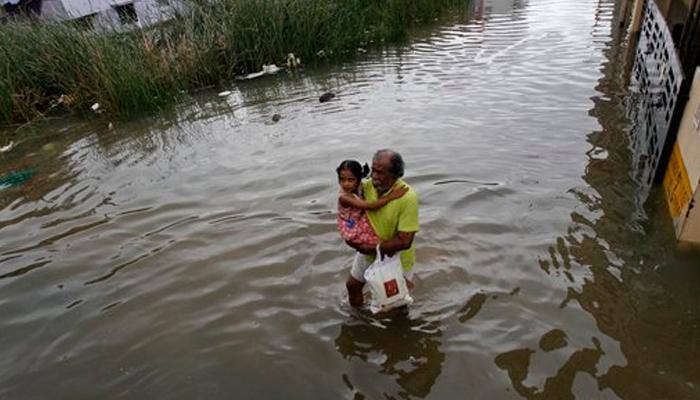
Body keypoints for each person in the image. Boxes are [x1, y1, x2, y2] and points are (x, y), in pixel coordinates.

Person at [344, 149, 419, 307]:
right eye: (372, 170)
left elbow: (405, 241)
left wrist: (370, 248)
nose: (374, 177)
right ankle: (357, 320)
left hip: (396, 259)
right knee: (352, 286)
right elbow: (345, 193)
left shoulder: (407, 197)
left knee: (396, 303)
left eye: (380, 173)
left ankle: (400, 330)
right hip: (368, 252)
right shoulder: (366, 187)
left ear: (395, 175)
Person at [336, 160, 408, 247]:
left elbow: (371, 180)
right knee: (380, 242)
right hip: (353, 226)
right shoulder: (345, 197)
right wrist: (391, 196)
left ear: (359, 179)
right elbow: (370, 206)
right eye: (342, 179)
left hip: (359, 217)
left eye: (350, 180)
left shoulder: (360, 185)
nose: (346, 184)